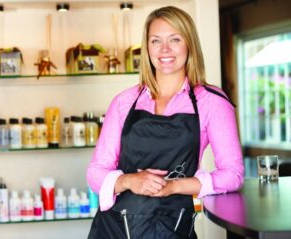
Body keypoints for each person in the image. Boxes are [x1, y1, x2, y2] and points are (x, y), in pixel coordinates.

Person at [87, 5, 244, 239]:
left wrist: (174, 186)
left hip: (171, 227)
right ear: (147, 47)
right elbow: (95, 173)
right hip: (113, 228)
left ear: (189, 44)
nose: (165, 50)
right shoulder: (124, 102)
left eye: (175, 39)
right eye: (155, 41)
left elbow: (233, 174)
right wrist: (129, 180)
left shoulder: (211, 102)